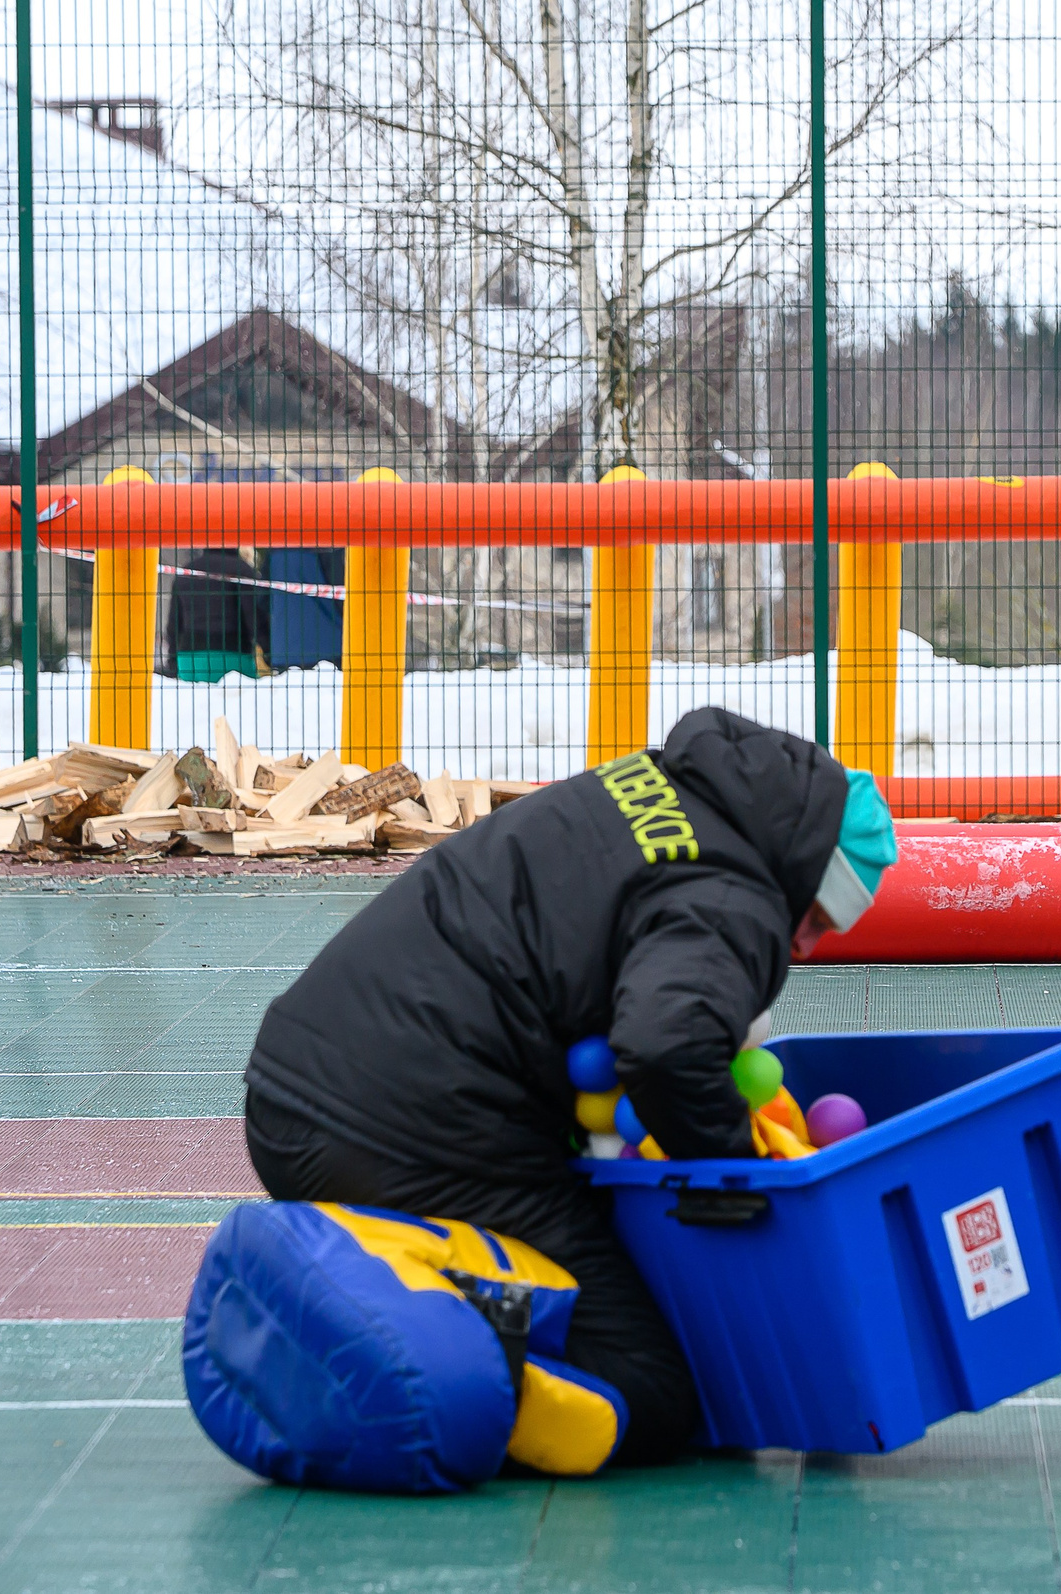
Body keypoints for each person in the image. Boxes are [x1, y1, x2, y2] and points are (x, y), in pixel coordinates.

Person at [242, 708, 898, 1465]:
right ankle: (391, 1331)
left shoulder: (655, 781)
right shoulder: (733, 896)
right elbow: (666, 1048)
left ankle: (390, 1271)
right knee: (651, 1388)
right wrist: (733, 1179)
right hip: (401, 1135)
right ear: (804, 867)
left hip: (297, 1087)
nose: (807, 943)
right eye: (818, 916)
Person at [166, 548, 270, 682]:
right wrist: (269, 651)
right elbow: (254, 618)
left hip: (188, 659)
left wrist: (173, 661)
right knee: (239, 701)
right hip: (231, 655)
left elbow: (174, 623)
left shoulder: (186, 571)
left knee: (195, 701)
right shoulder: (242, 570)